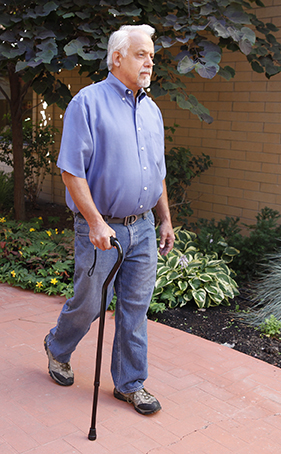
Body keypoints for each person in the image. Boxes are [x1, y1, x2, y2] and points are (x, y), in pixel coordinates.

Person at [44, 24, 175, 416]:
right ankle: (57, 347)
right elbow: (71, 171)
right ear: (117, 57)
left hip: (144, 229)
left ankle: (130, 383)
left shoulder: (152, 110)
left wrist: (165, 219)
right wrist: (96, 221)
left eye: (152, 55)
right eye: (141, 54)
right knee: (88, 304)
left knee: (135, 308)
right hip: (101, 227)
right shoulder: (88, 103)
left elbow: (157, 172)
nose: (150, 60)